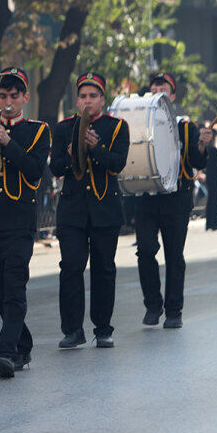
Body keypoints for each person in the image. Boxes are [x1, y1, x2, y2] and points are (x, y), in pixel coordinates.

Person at [0, 68, 50, 377]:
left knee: (15, 288)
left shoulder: (38, 130)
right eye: (2, 96)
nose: (6, 102)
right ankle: (23, 343)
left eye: (13, 96)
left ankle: (5, 352)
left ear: (25, 98)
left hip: (19, 219)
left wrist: (7, 141)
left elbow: (33, 171)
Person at [50, 72, 129, 349]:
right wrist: (72, 154)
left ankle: (103, 328)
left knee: (104, 269)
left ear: (102, 100)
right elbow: (55, 167)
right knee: (70, 267)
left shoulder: (117, 127)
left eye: (93, 96)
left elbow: (118, 163)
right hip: (72, 210)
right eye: (83, 96)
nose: (87, 101)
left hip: (105, 208)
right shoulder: (63, 128)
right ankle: (72, 329)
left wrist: (96, 148)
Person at [135, 73, 211, 328]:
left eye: (164, 88)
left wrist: (201, 146)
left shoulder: (185, 126)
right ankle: (153, 305)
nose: (158, 91)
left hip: (176, 199)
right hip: (147, 197)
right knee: (145, 251)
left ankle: (174, 310)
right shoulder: (139, 123)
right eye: (154, 87)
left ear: (173, 95)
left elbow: (195, 162)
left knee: (174, 255)